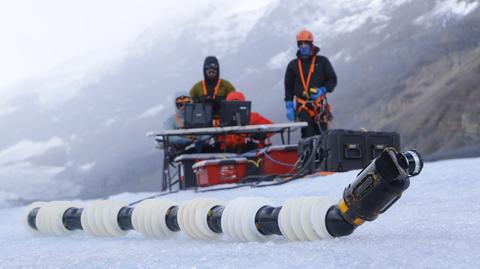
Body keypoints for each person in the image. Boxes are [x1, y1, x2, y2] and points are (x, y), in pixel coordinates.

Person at [284, 29, 337, 138]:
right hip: (302, 106)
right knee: (307, 136)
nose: (303, 46)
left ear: (311, 44)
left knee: (323, 136)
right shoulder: (293, 65)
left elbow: (332, 79)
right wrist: (289, 105)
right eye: (300, 43)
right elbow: (288, 86)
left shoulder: (322, 61)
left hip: (318, 105)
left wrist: (323, 90)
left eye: (305, 43)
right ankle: (307, 154)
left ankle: (322, 155)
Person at [162, 92, 207, 159]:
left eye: (187, 104)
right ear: (176, 106)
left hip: (201, 148)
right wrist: (181, 140)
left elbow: (208, 131)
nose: (184, 106)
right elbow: (169, 136)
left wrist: (201, 139)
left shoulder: (199, 117)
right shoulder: (170, 121)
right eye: (180, 104)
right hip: (182, 150)